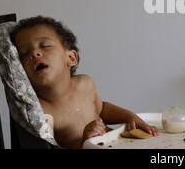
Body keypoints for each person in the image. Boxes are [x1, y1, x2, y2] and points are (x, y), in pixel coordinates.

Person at [10, 16, 158, 148]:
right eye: (24, 53)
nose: (34, 54)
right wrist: (85, 142)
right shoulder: (41, 112)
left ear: (71, 58)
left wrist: (130, 117)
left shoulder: (85, 84)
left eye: (45, 46)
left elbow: (101, 109)